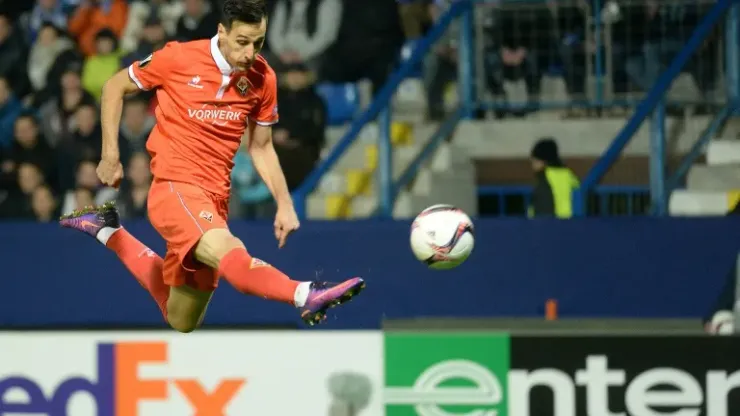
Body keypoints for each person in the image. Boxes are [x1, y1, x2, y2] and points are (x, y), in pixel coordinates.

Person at [60, 0, 365, 332]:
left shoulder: (263, 77)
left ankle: (109, 230)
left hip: (215, 200)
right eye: (242, 42)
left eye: (258, 43)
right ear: (222, 32)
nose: (250, 53)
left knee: (182, 319)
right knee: (234, 257)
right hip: (174, 189)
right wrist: (110, 156)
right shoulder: (178, 58)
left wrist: (284, 203)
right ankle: (304, 294)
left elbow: (261, 147)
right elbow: (114, 86)